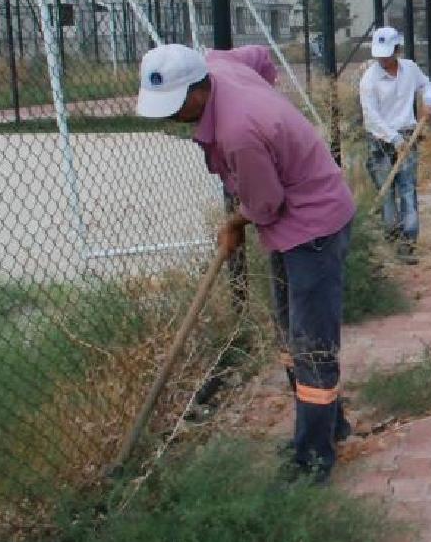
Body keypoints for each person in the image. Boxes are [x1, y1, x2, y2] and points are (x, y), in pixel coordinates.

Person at [135, 43, 356, 482]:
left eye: (177, 105)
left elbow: (266, 203)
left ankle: (314, 459)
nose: (172, 116)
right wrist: (271, 106)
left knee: (311, 344)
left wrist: (235, 222)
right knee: (289, 332)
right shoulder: (218, 64)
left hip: (313, 227)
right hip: (290, 227)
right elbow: (259, 56)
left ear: (200, 90)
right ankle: (330, 426)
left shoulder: (239, 133)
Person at [359, 26, 431, 264]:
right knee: (386, 194)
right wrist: (394, 139)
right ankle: (391, 237)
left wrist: (429, 102)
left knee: (407, 190)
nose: (383, 59)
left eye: (387, 53)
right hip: (380, 141)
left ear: (397, 49)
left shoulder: (410, 69)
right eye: (379, 54)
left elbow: (427, 85)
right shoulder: (369, 79)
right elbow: (371, 117)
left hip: (408, 135)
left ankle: (408, 243)